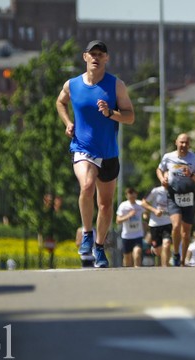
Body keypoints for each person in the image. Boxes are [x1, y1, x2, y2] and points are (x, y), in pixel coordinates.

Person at [56, 40, 135, 268]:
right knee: (87, 186)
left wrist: (111, 113)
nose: (96, 58)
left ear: (106, 59)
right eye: (92, 54)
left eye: (100, 54)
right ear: (85, 57)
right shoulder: (72, 85)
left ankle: (99, 247)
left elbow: (130, 117)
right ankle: (87, 234)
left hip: (108, 152)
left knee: (105, 205)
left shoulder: (115, 85)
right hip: (83, 148)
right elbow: (60, 103)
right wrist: (68, 122)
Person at [157, 133, 195, 266]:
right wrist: (163, 179)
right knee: (176, 225)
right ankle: (176, 254)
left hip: (189, 197)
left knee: (186, 233)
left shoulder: (194, 159)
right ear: (176, 143)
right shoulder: (168, 157)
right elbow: (159, 170)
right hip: (173, 196)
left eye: (186, 143)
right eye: (181, 142)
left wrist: (191, 174)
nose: (183, 145)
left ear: (189, 144)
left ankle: (183, 260)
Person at [141, 185, 172, 267]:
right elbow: (143, 202)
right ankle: (154, 249)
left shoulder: (174, 190)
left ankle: (165, 266)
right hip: (155, 224)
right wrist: (154, 210)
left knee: (167, 244)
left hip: (168, 223)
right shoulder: (156, 190)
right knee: (158, 251)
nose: (166, 179)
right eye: (165, 176)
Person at [116, 187, 146, 267]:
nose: (132, 195)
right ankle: (128, 274)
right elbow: (118, 221)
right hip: (127, 236)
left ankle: (137, 270)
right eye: (130, 193)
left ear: (136, 194)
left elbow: (146, 212)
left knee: (137, 253)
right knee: (127, 259)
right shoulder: (123, 205)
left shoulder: (140, 204)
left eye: (134, 193)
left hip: (138, 235)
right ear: (126, 195)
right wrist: (129, 215)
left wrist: (146, 216)